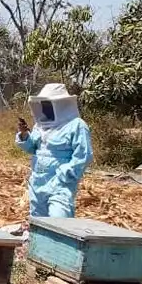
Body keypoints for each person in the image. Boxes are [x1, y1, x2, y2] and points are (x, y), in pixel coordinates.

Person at [16, 84, 93, 218]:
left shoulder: (76, 125)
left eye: (48, 104)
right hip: (37, 181)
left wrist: (64, 175)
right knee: (39, 222)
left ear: (61, 105)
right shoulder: (40, 125)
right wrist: (24, 134)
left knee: (59, 220)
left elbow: (83, 156)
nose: (45, 108)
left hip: (60, 183)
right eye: (43, 104)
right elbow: (32, 148)